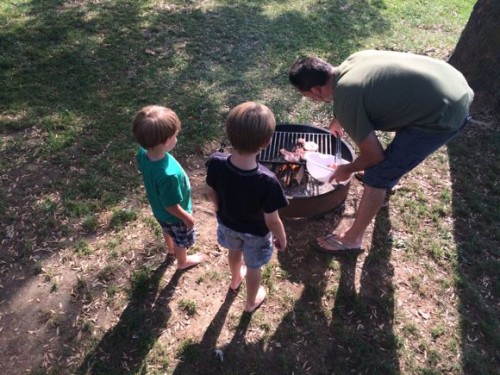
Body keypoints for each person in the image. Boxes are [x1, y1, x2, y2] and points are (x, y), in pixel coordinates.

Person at [289, 50, 474, 255]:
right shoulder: (352, 61)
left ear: (316, 90)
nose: (311, 101)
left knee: (377, 174)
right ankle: (385, 188)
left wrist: (348, 168)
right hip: (451, 82)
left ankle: (352, 239)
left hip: (444, 112)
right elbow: (360, 91)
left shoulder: (348, 98)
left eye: (307, 97)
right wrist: (338, 117)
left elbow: (374, 156)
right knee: (385, 166)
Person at [206, 101, 288, 313]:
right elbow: (272, 220)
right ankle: (250, 303)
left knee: (234, 250)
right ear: (267, 142)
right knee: (254, 266)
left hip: (227, 224)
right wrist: (281, 236)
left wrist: (216, 206)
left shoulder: (215, 162)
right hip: (256, 234)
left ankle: (235, 280)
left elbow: (210, 188)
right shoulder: (268, 181)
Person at [133, 105, 203, 269]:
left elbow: (141, 167)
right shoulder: (168, 175)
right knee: (181, 239)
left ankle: (171, 251)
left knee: (167, 230)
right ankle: (182, 261)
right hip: (176, 217)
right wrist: (186, 217)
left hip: (158, 211)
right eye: (175, 135)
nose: (177, 136)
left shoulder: (143, 153)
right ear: (165, 142)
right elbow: (171, 205)